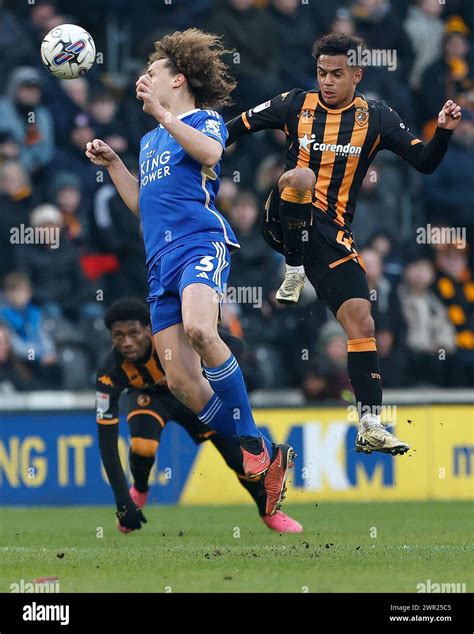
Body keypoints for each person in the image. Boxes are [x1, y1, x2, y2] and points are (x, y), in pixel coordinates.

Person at [85, 29, 294, 529]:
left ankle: (248, 443)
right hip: (160, 263)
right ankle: (266, 454)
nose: (145, 77)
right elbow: (143, 205)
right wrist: (115, 164)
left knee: (203, 330)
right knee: (181, 382)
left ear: (177, 80)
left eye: (153, 72)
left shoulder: (202, 120)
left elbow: (210, 155)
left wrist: (163, 113)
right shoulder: (151, 139)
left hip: (200, 244)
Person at [226, 32, 462, 455]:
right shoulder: (295, 103)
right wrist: (198, 161)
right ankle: (293, 273)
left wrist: (443, 132)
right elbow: (233, 130)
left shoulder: (377, 117)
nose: (327, 81)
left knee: (362, 323)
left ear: (357, 74)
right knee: (300, 177)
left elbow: (425, 163)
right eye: (321, 73)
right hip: (282, 217)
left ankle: (370, 422)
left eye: (336, 74)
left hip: (331, 235)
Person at [97, 298, 302, 533]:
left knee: (240, 460)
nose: (127, 342)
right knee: (143, 446)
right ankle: (140, 491)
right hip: (149, 399)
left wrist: (205, 367)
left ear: (148, 329)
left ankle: (269, 513)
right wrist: (123, 502)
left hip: (191, 397)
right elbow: (107, 440)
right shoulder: (109, 372)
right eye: (118, 336)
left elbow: (235, 345)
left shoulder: (171, 338)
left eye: (133, 333)